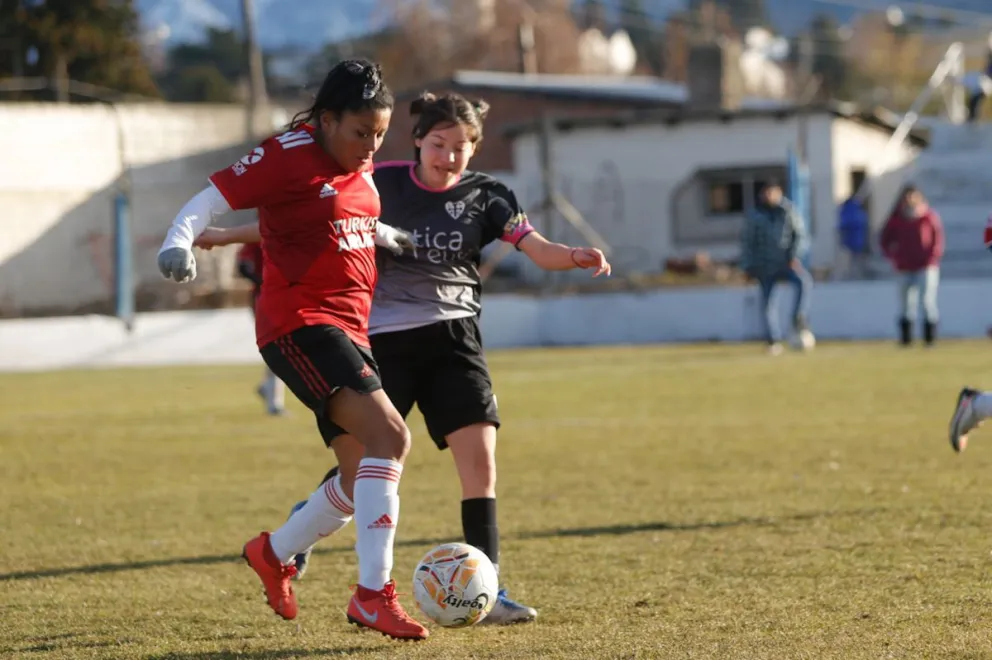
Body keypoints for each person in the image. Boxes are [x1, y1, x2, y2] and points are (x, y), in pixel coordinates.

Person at [193, 91, 612, 625]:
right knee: (360, 467)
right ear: (417, 141)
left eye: (461, 147)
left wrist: (573, 256)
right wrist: (225, 235)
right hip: (381, 339)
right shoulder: (380, 181)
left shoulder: (490, 196)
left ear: (475, 148)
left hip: (454, 342)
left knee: (479, 466)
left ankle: (488, 589)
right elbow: (304, 221)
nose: (449, 156)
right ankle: (298, 536)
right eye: (438, 144)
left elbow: (537, 247)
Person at [156, 59, 429, 641]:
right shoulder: (285, 153)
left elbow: (319, 216)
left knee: (358, 477)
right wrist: (179, 240)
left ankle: (273, 552)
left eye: (380, 134)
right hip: (300, 323)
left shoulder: (356, 158)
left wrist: (384, 234)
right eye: (361, 132)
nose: (371, 146)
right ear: (326, 120)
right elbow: (209, 198)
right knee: (391, 437)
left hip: (351, 328)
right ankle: (372, 596)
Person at [739, 181, 814, 355]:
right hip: (764, 266)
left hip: (785, 263)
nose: (769, 196)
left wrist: (794, 257)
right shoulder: (755, 215)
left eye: (771, 192)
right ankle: (773, 340)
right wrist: (748, 266)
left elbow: (800, 236)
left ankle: (797, 319)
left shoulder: (788, 211)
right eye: (766, 193)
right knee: (767, 303)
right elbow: (747, 242)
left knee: (804, 282)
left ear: (779, 193)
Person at [880, 185, 943, 347]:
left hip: (925, 266)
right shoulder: (896, 219)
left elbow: (937, 239)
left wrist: (931, 258)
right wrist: (894, 257)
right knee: (906, 305)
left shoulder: (928, 216)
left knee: (927, 302)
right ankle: (906, 339)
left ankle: (930, 339)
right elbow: (884, 240)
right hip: (904, 267)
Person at [236, 241, 286, 416]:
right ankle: (274, 401)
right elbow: (243, 267)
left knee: (283, 347)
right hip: (266, 299)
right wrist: (266, 282)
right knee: (278, 346)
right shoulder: (258, 237)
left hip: (285, 297)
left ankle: (268, 388)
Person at [836, 195, 870, 280]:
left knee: (852, 257)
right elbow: (864, 222)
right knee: (857, 256)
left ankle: (853, 273)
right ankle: (858, 273)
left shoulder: (846, 210)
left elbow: (843, 224)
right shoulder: (858, 210)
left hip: (850, 237)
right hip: (859, 237)